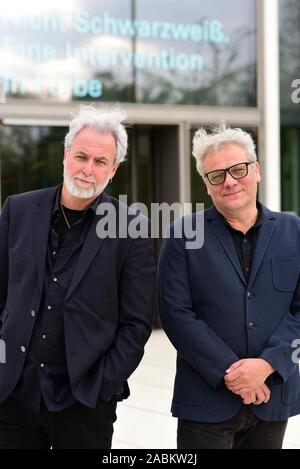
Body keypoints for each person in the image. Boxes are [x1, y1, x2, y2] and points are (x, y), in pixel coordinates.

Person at [0, 105, 156, 449]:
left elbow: (136, 324)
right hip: (13, 397)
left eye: (100, 162)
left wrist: (103, 384)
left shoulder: (132, 228)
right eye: (81, 156)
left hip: (84, 403)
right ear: (66, 155)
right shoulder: (18, 210)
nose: (88, 169)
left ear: (113, 170)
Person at [158, 122, 300, 449]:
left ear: (257, 170)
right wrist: (234, 374)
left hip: (273, 396)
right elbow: (176, 315)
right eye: (217, 175)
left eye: (238, 169)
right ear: (206, 185)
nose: (230, 181)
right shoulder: (183, 236)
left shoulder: (293, 231)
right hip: (206, 401)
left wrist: (267, 365)